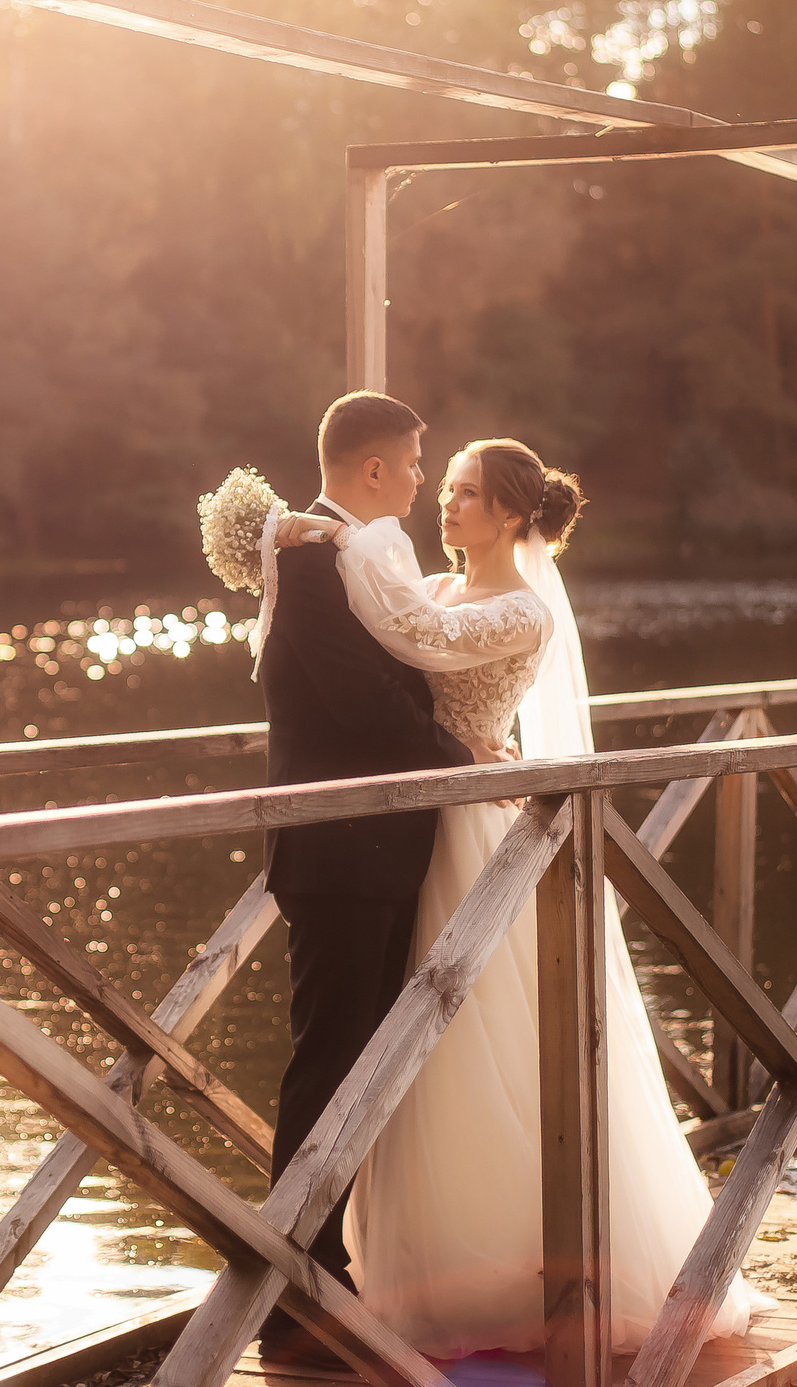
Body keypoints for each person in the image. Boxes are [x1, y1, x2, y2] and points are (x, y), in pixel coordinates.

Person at [274, 438, 762, 1359]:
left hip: (475, 838)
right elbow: (386, 635)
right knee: (411, 1055)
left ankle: (525, 1269)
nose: (446, 503)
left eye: (465, 492)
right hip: (416, 836)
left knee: (484, 1042)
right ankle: (410, 1263)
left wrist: (340, 539)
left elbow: (415, 637)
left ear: (508, 514)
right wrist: (314, 546)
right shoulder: (437, 587)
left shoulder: (521, 612)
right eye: (447, 487)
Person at [250, 392, 495, 1370]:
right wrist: (460, 754)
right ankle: (290, 1289)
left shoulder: (351, 552)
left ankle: (323, 1266)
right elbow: (360, 698)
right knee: (329, 1061)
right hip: (339, 852)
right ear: (374, 470)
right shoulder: (312, 559)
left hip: (377, 850)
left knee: (360, 1061)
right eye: (416, 464)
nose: (425, 480)